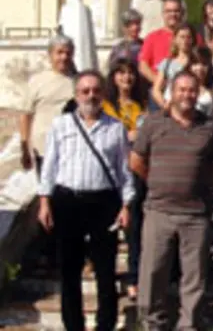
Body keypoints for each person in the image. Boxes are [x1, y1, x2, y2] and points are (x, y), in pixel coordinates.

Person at [37, 70, 133, 331]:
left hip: (103, 202)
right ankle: (73, 325)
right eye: (85, 91)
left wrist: (126, 205)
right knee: (69, 269)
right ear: (76, 95)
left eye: (96, 90)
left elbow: (124, 172)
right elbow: (50, 166)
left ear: (103, 94)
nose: (91, 96)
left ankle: (105, 325)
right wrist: (44, 201)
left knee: (105, 269)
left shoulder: (115, 128)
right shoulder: (61, 125)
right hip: (68, 201)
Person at [131, 71, 213, 330]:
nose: (187, 95)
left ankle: (189, 325)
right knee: (153, 273)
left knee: (194, 277)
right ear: (171, 93)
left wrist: (199, 186)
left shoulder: (208, 127)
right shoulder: (153, 123)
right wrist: (157, 180)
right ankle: (152, 323)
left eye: (192, 90)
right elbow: (136, 161)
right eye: (181, 89)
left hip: (195, 215)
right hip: (159, 211)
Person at [103, 59, 147, 299]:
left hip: (135, 170)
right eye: (121, 73)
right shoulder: (106, 105)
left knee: (135, 227)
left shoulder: (141, 105)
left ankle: (134, 276)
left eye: (130, 73)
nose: (126, 78)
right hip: (109, 172)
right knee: (107, 227)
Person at [20, 35, 76, 173]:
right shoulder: (37, 81)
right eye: (59, 52)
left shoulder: (80, 82)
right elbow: (26, 116)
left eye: (68, 53)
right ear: (50, 55)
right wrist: (25, 149)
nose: (64, 57)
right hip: (43, 149)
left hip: (73, 149)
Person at [138, 0, 185, 85]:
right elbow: (143, 65)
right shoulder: (152, 37)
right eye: (168, 11)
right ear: (163, 14)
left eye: (176, 11)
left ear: (182, 13)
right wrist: (159, 83)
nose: (173, 14)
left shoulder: (192, 37)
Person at [151, 23, 196, 108]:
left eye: (188, 37)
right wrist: (164, 104)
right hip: (171, 106)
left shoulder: (196, 62)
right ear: (175, 39)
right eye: (182, 37)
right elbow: (156, 89)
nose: (185, 40)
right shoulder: (167, 63)